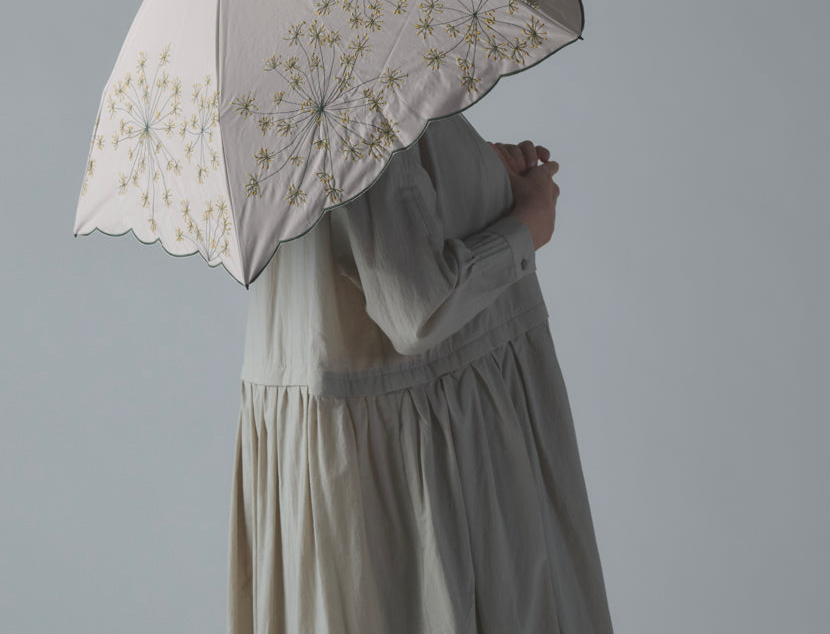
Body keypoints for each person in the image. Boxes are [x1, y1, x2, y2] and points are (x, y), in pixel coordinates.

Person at [227, 110, 614, 634]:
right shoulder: (356, 90)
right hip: (432, 452)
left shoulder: (281, 90)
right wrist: (528, 226)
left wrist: (468, 170)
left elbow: (372, 216)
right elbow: (418, 308)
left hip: (364, 439)